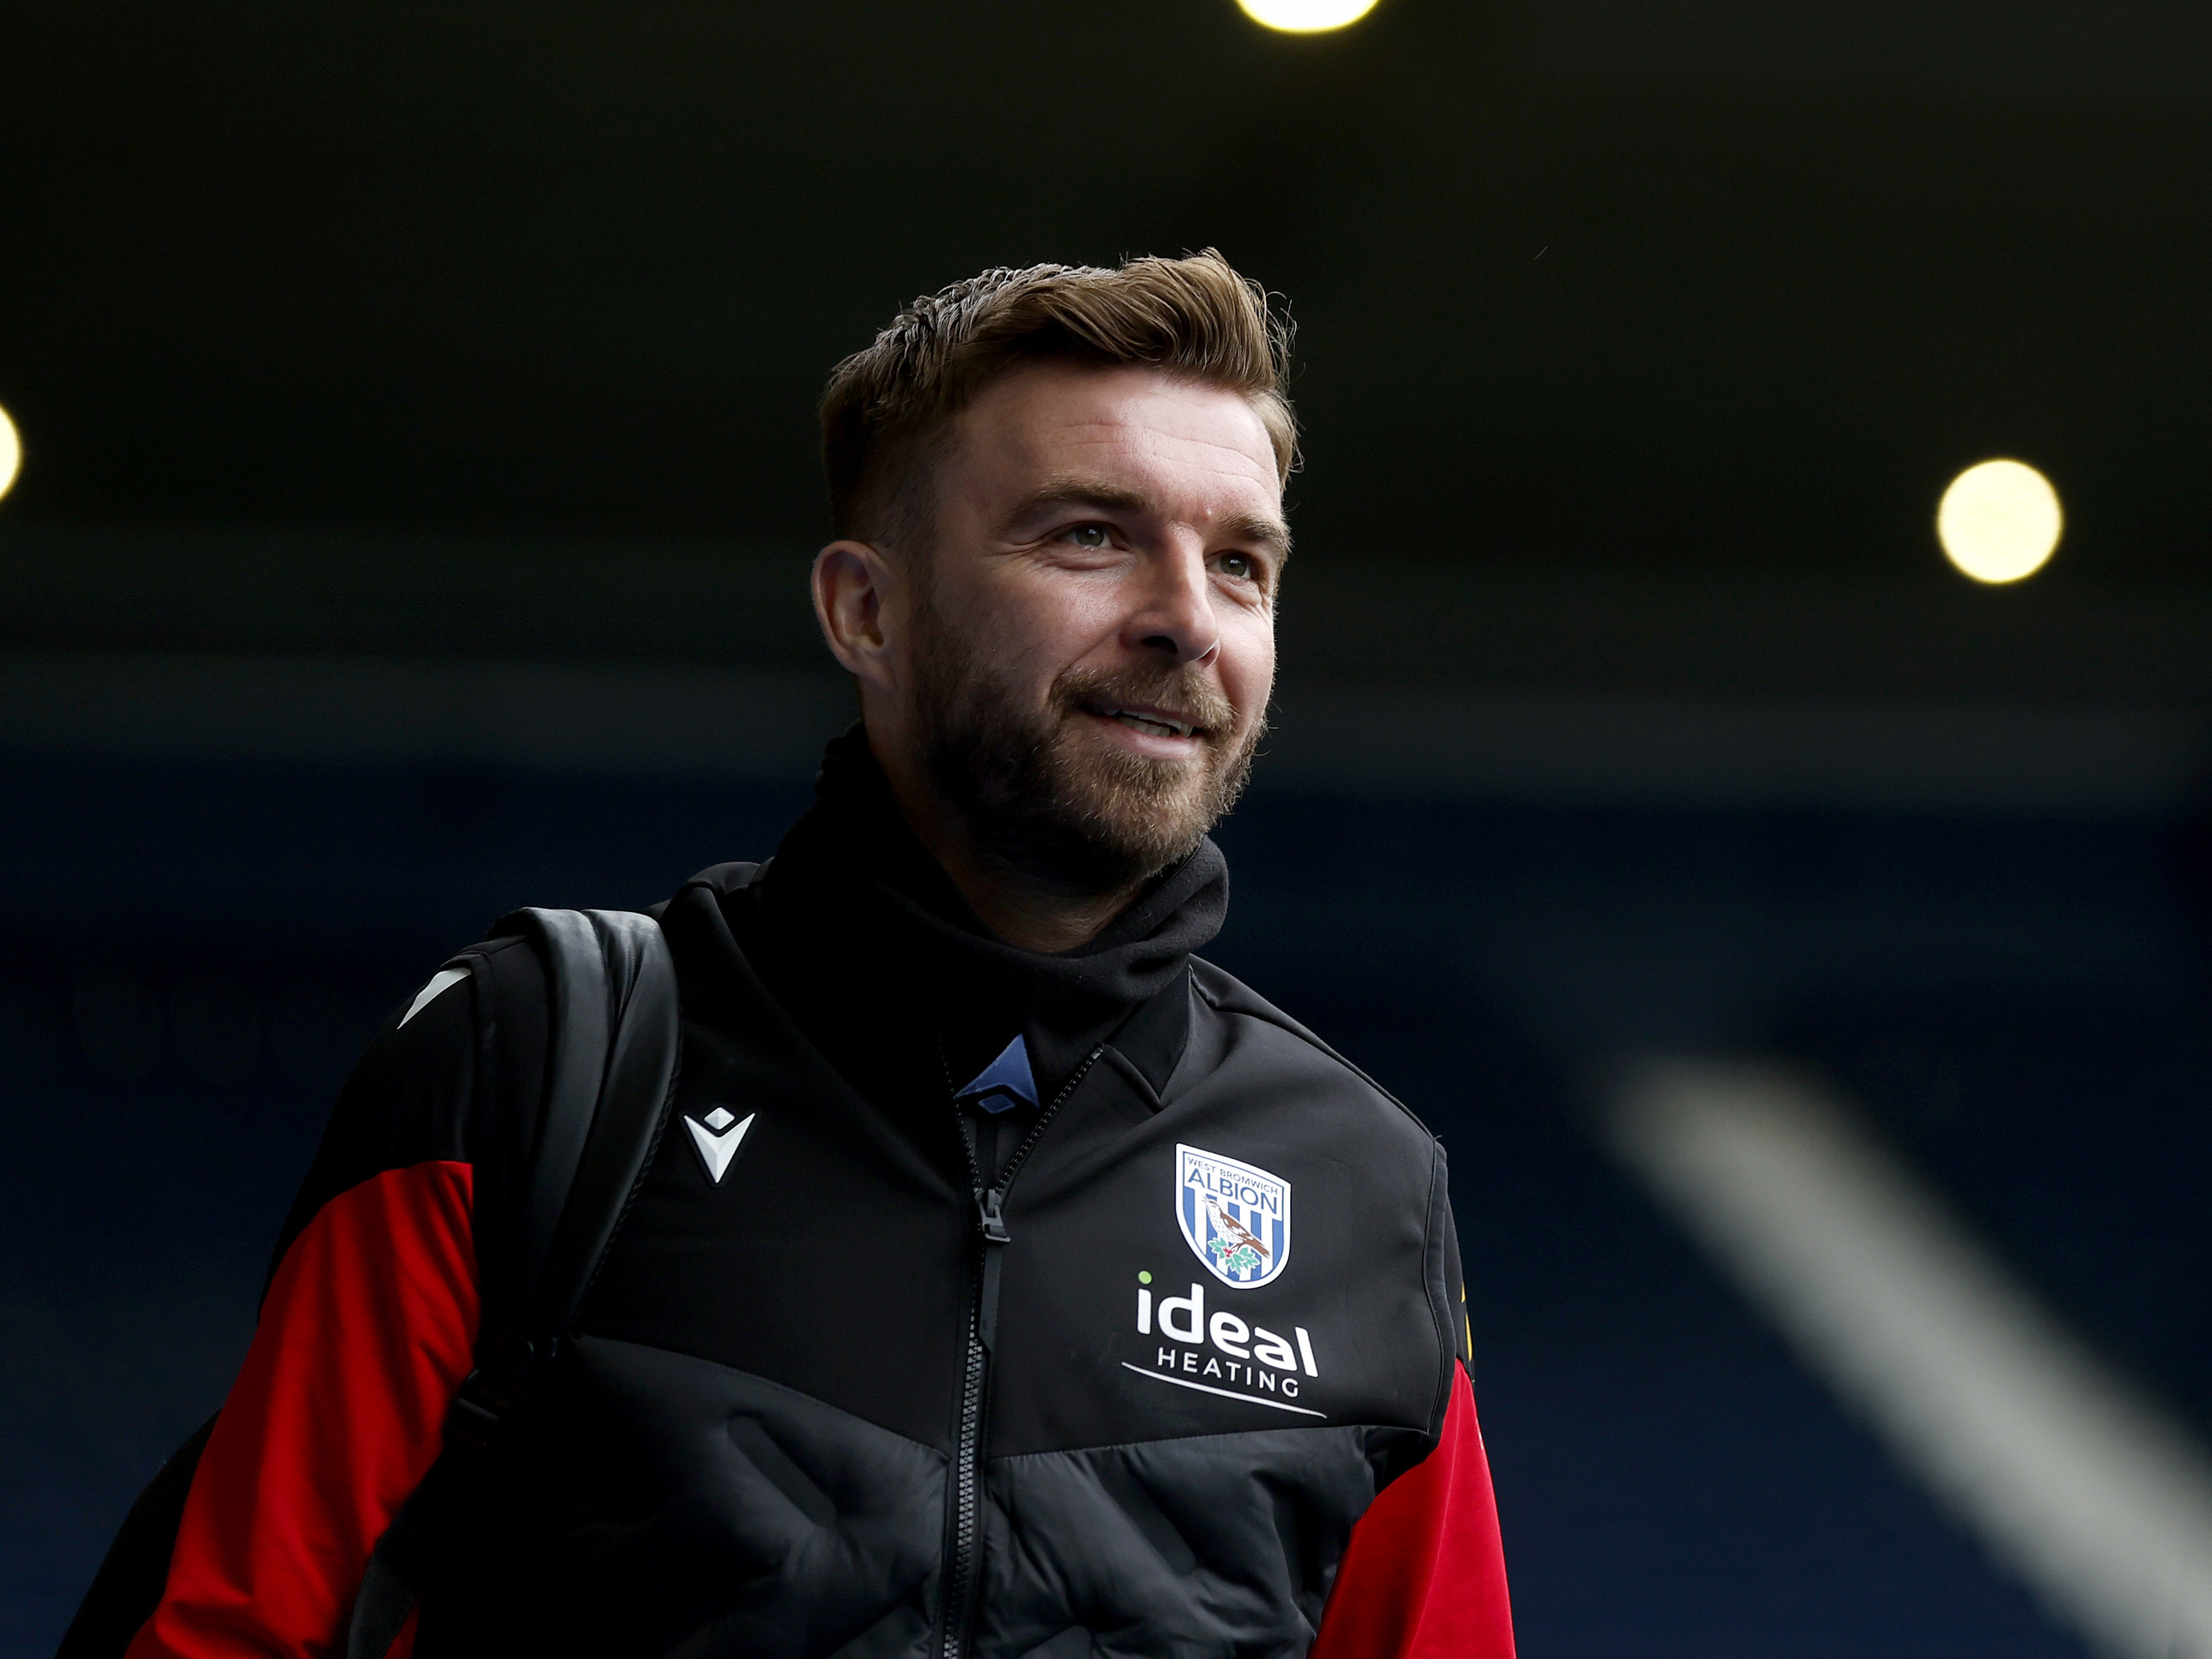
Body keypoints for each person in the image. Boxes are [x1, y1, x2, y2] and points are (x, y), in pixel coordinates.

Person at [115, 251, 1515, 1658]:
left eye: (1239, 565)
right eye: (1091, 534)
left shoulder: (1365, 1193)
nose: (1187, 619)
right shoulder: (536, 1058)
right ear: (866, 613)